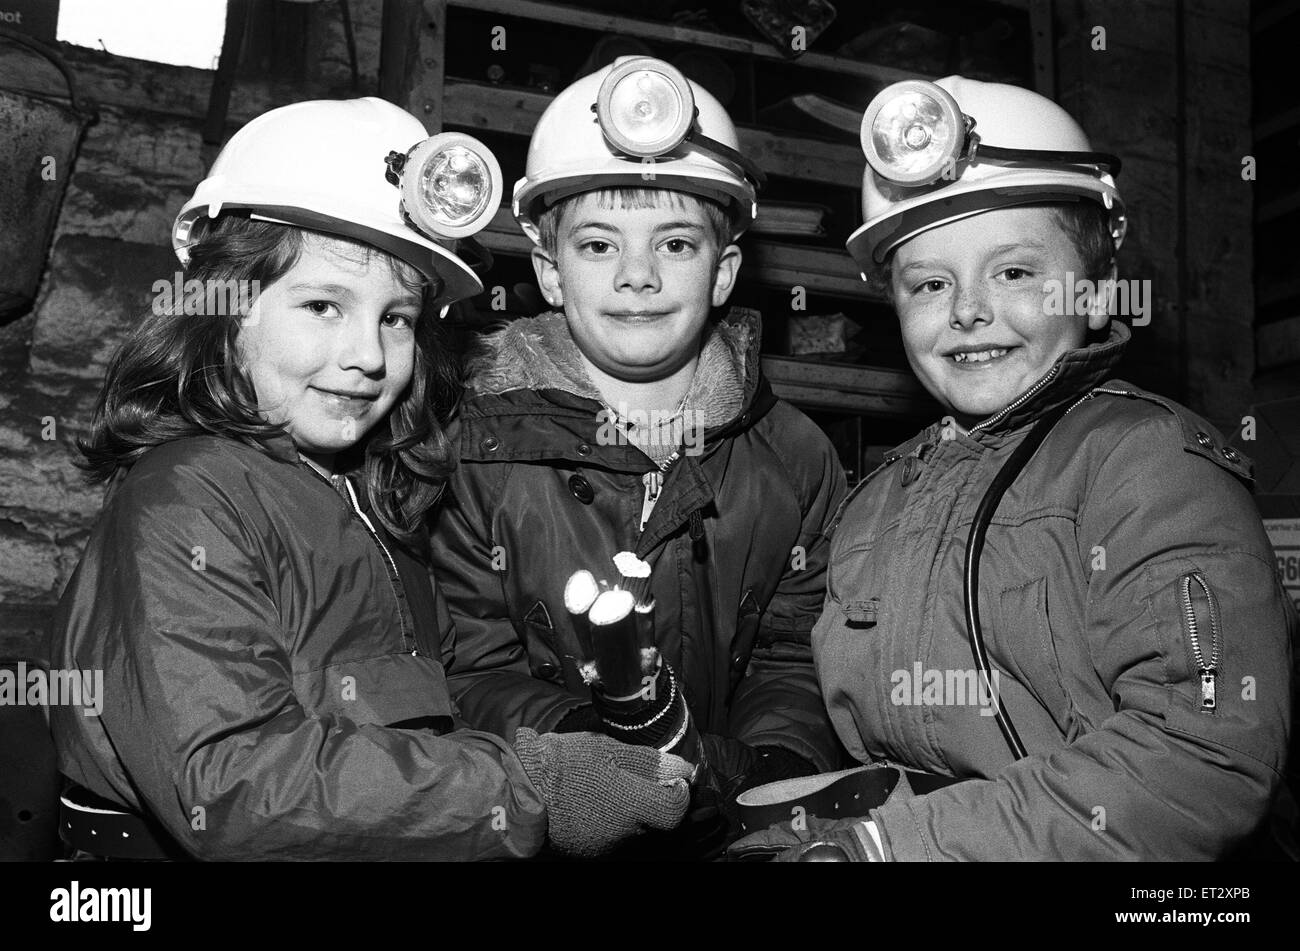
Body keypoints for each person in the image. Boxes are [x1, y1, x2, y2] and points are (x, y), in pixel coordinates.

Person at [48, 96, 693, 861]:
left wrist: (583, 727)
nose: (369, 356)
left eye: (396, 318)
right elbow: (232, 786)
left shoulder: (370, 497)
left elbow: (441, 696)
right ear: (222, 308)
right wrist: (526, 786)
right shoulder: (186, 499)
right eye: (323, 305)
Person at [729, 76, 1294, 861]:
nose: (966, 310)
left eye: (1015, 273)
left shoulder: (1149, 465)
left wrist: (886, 849)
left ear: (1095, 291)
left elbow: (1203, 759)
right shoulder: (875, 501)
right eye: (930, 283)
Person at [429, 57, 848, 843]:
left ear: (723, 272)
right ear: (549, 271)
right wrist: (604, 741)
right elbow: (470, 669)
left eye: (678, 244)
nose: (637, 276)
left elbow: (794, 654)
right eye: (596, 246)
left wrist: (759, 770)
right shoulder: (472, 451)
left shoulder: (795, 459)